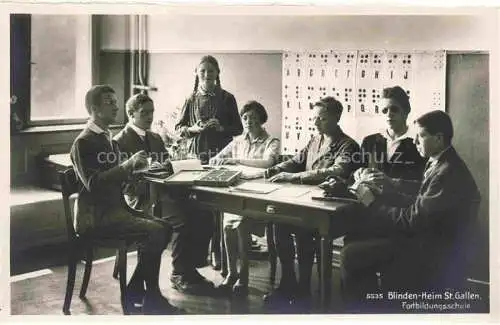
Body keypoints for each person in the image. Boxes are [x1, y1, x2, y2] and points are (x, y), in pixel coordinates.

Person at [342, 110, 480, 311]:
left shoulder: (447, 172)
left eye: (420, 136)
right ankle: (375, 308)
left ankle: (367, 312)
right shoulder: (441, 161)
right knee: (359, 237)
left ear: (439, 138)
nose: (414, 141)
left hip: (431, 248)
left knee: (349, 254)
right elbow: (420, 203)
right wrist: (385, 190)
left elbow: (412, 220)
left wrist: (371, 202)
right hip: (429, 236)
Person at [70, 85, 181, 314]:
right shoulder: (84, 142)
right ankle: (151, 298)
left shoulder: (105, 138)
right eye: (109, 102)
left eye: (115, 101)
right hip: (96, 216)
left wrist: (135, 170)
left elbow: (116, 176)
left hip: (116, 209)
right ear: (94, 109)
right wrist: (128, 165)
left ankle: (135, 289)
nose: (116, 106)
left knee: (166, 227)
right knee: (157, 231)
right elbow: (94, 183)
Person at [263, 96, 361, 311]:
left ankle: (304, 287)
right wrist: (277, 169)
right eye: (315, 118)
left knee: (304, 233)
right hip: (303, 200)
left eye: (322, 119)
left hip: (326, 206)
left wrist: (294, 177)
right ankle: (288, 281)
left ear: (336, 118)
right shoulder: (314, 140)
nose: (316, 123)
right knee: (278, 224)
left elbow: (337, 171)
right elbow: (297, 161)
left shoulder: (348, 145)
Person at [113, 93, 215, 295]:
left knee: (204, 215)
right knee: (182, 220)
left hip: (163, 194)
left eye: (152, 112)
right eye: (144, 113)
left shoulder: (155, 137)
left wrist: (172, 166)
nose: (150, 117)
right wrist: (147, 173)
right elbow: (125, 185)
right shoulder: (119, 141)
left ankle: (188, 267)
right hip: (141, 200)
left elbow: (168, 166)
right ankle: (179, 274)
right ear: (131, 114)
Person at [175, 55, 243, 270]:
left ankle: (218, 253)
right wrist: (194, 129)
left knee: (218, 206)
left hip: (221, 156)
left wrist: (221, 127)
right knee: (200, 207)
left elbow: (239, 129)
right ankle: (199, 255)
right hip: (196, 156)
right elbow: (179, 129)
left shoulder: (227, 98)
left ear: (217, 73)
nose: (206, 75)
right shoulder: (190, 99)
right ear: (197, 73)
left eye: (211, 71)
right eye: (202, 71)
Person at [209, 100, 280, 295]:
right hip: (236, 190)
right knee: (226, 226)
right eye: (245, 118)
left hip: (260, 194)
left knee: (239, 226)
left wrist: (237, 160)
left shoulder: (271, 142)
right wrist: (218, 160)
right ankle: (232, 273)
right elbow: (217, 158)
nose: (249, 122)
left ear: (262, 120)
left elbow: (267, 163)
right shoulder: (238, 141)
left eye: (254, 118)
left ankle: (244, 278)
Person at [360, 86, 425, 180]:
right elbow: (357, 171)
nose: (389, 114)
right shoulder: (369, 142)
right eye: (384, 110)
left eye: (394, 109)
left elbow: (422, 184)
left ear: (406, 111)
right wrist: (357, 173)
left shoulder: (419, 143)